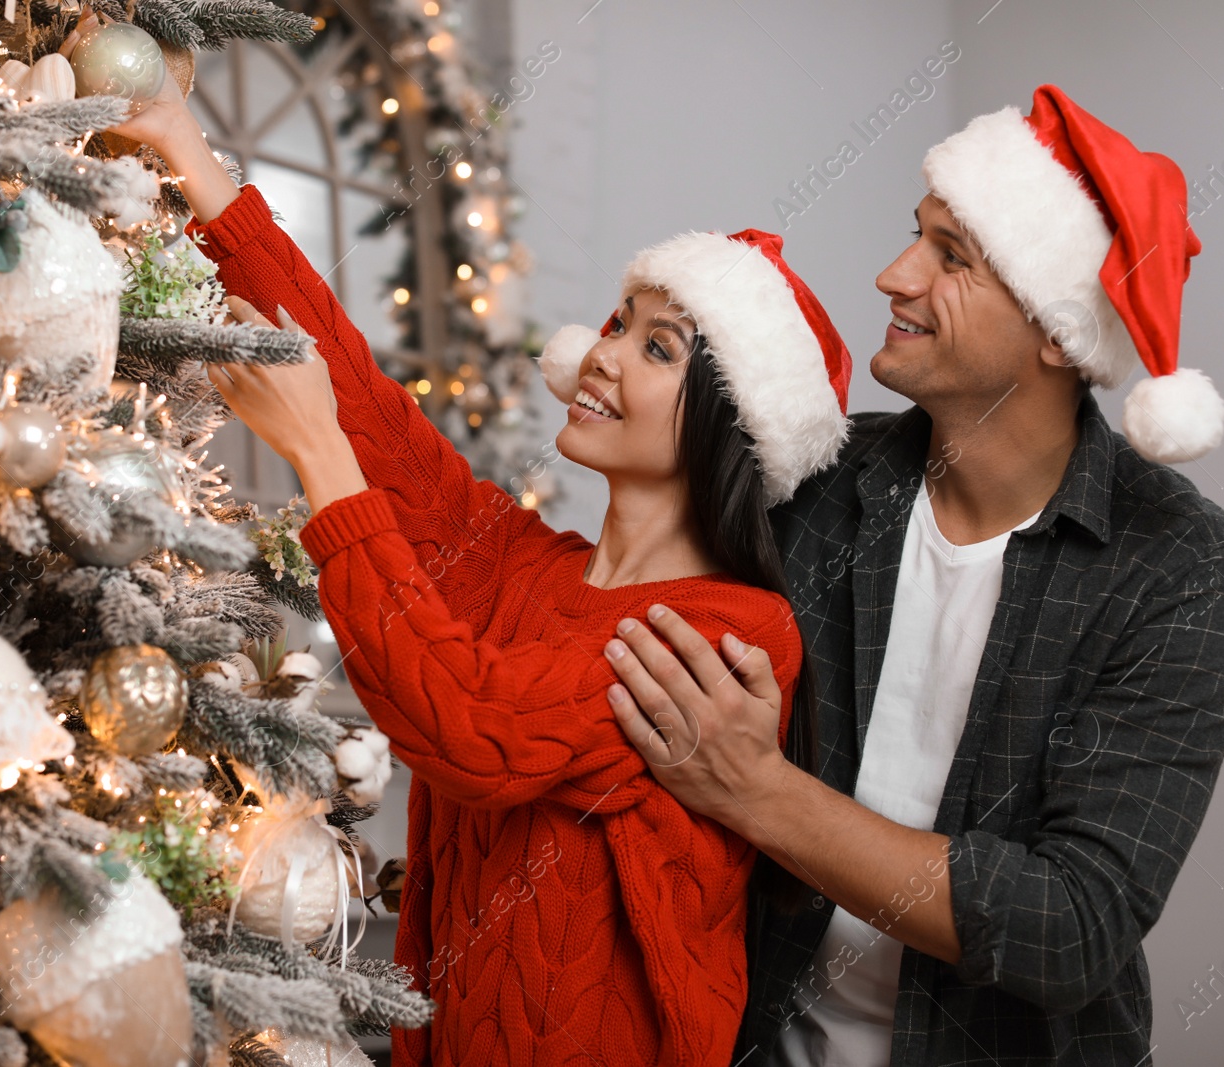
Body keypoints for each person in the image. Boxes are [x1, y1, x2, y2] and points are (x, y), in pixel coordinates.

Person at [109, 49, 854, 1061]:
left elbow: (474, 727)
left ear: (733, 425)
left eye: (658, 347)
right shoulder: (519, 561)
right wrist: (185, 151)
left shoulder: (729, 635)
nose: (600, 353)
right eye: (617, 322)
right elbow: (367, 407)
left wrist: (317, 452)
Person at [600, 85, 1224, 1066]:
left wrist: (756, 788)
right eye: (918, 235)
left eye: (950, 256)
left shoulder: (1182, 567)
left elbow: (1070, 925)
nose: (891, 275)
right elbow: (630, 581)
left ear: (1055, 329)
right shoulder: (815, 481)